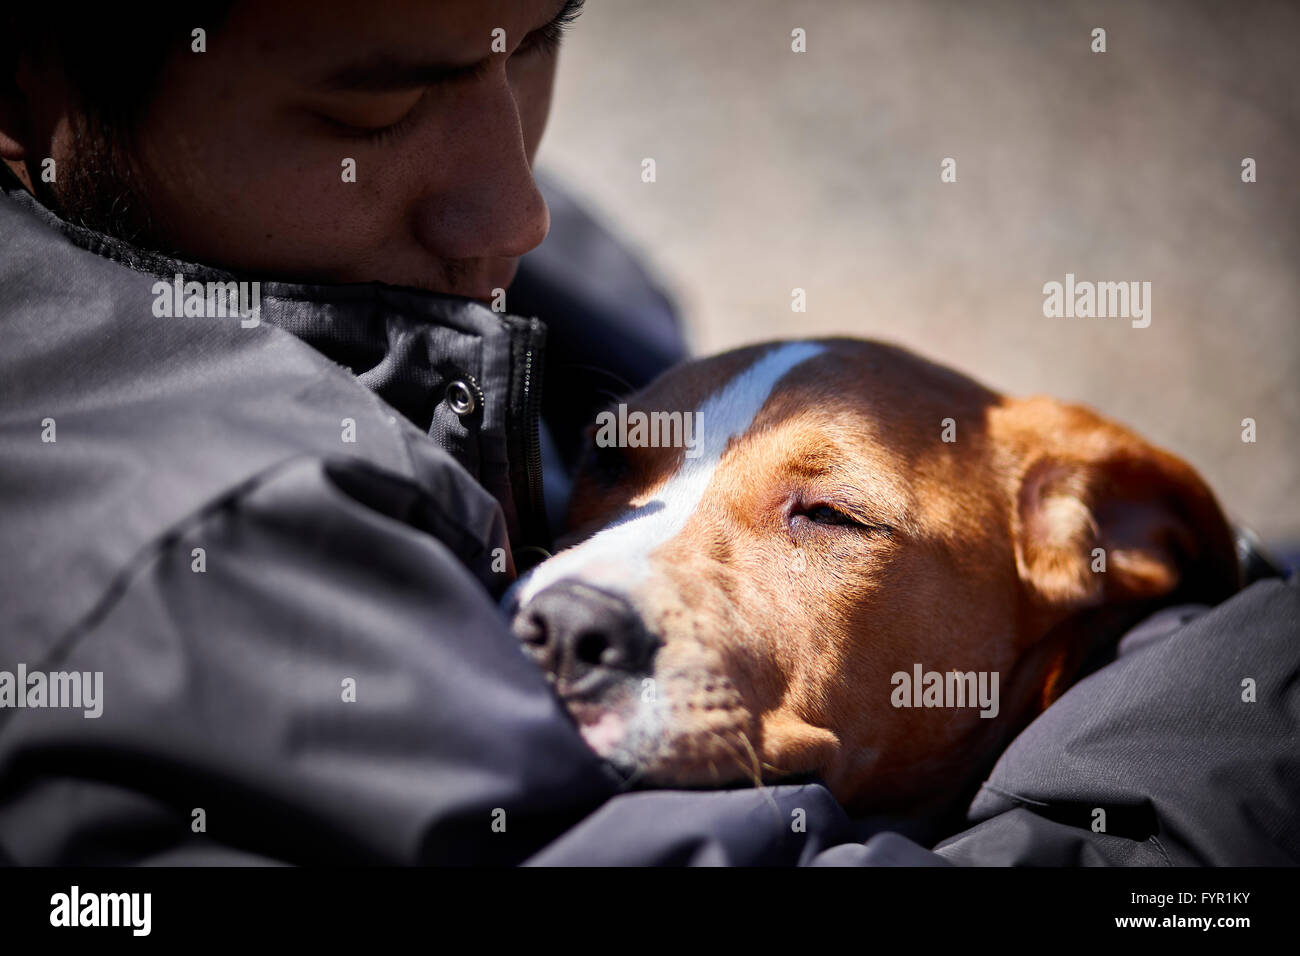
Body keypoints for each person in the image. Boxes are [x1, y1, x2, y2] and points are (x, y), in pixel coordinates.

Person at [2, 2, 1296, 867]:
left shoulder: (519, 301)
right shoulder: (197, 543)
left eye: (536, 39)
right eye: (372, 115)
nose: (520, 217)